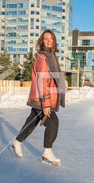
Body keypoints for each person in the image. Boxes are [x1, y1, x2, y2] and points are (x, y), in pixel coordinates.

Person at [11, 29, 66, 165]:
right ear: (41, 41)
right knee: (53, 123)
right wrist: (46, 103)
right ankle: (47, 151)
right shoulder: (43, 58)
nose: (48, 40)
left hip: (41, 98)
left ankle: (17, 142)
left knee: (32, 121)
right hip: (42, 99)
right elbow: (42, 80)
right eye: (45, 38)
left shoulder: (51, 56)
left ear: (54, 41)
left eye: (51, 38)